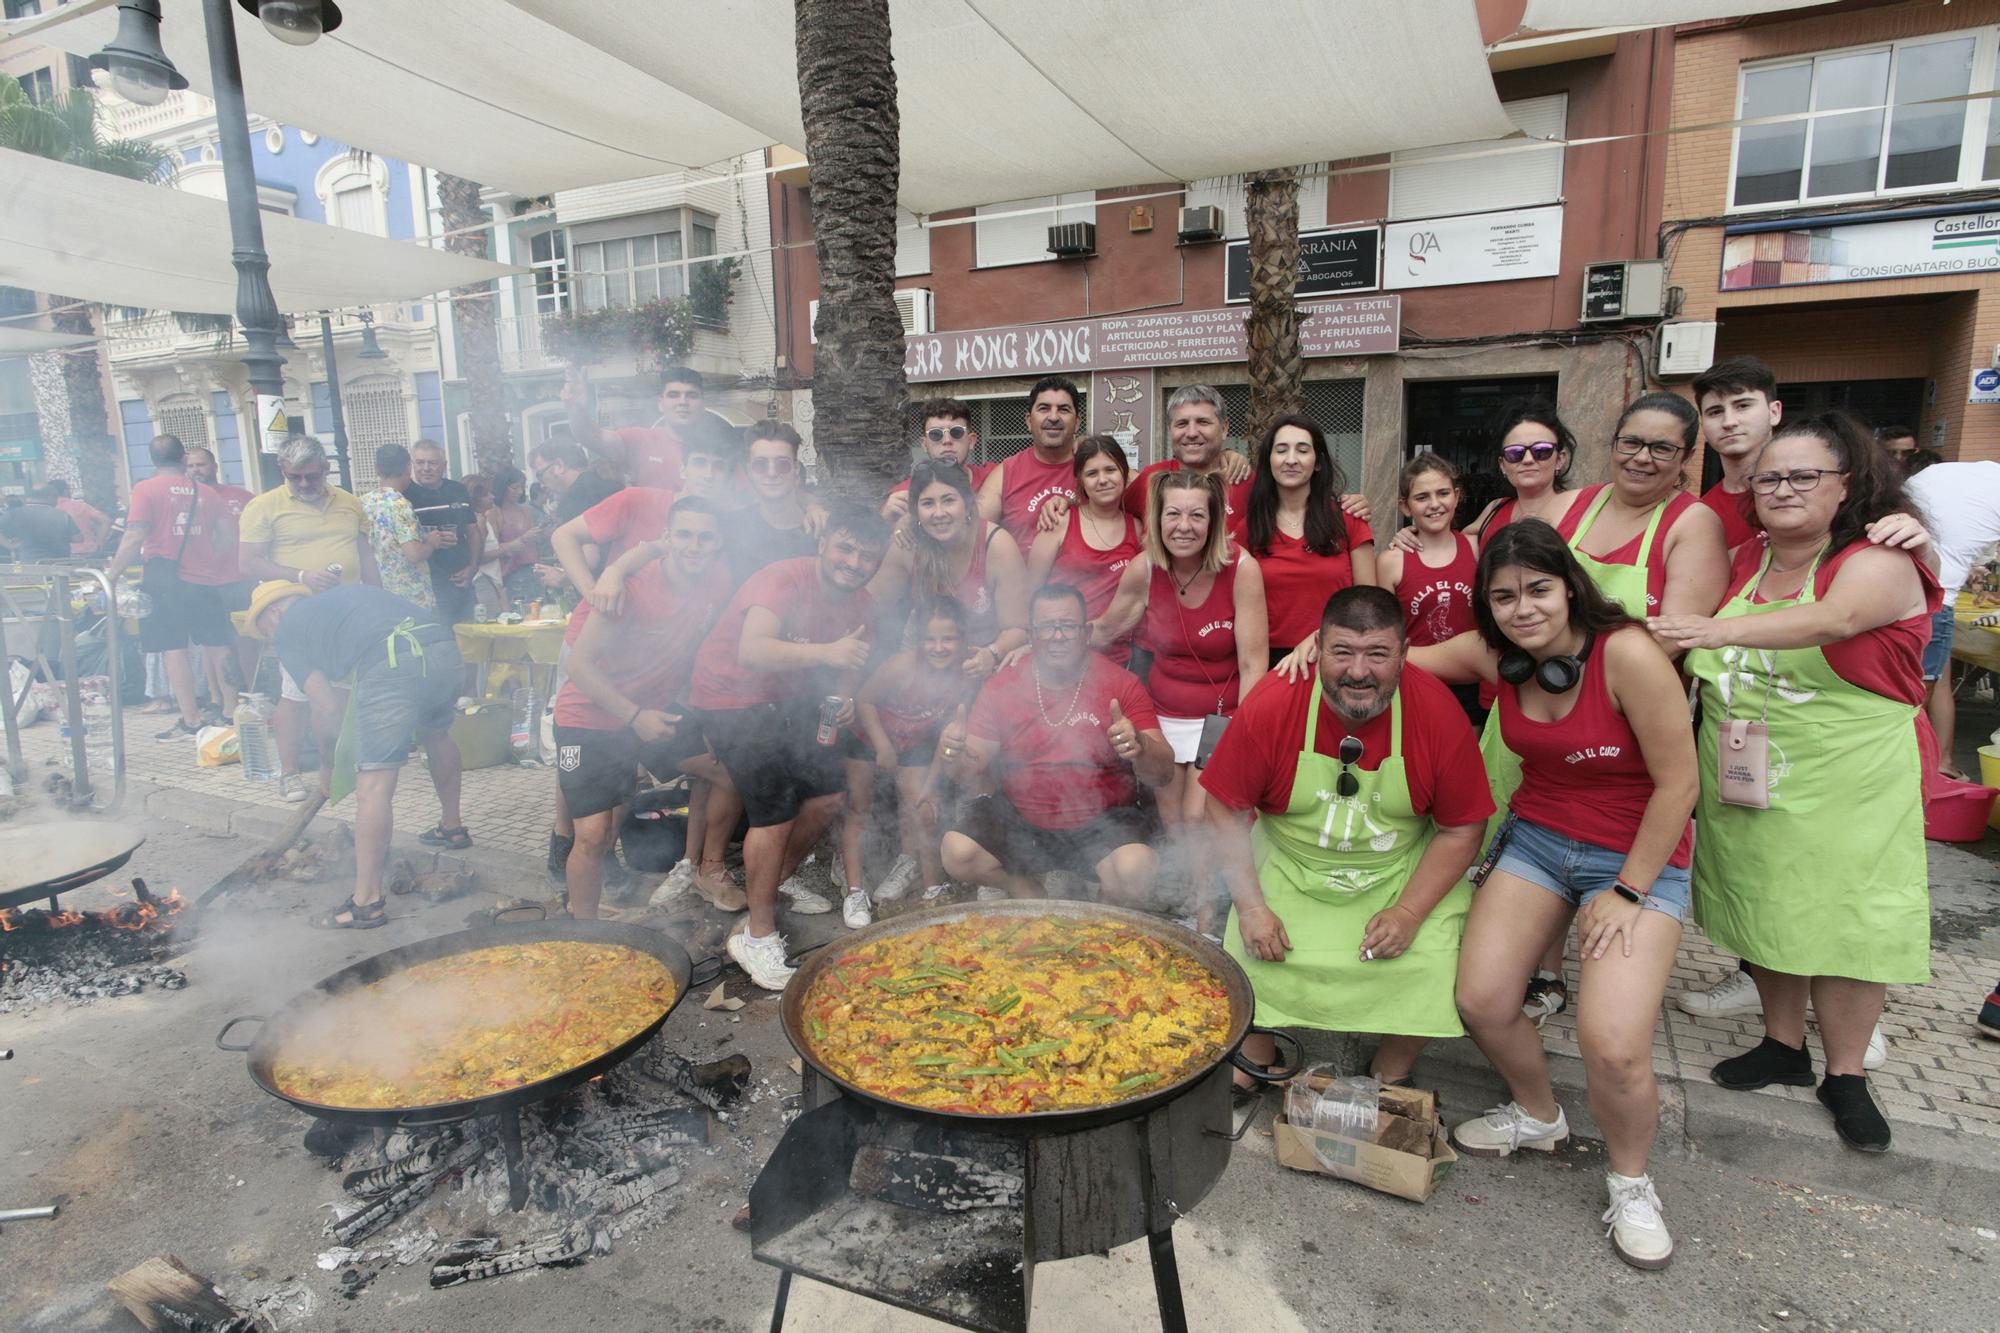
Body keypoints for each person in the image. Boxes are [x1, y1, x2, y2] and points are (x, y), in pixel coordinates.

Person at [1652, 412, 1940, 1155]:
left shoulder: (1875, 557)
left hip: (1848, 784)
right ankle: (1783, 1042)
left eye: (1804, 476)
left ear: (1848, 486)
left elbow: (1833, 621)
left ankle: (1846, 1073)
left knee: (1846, 926)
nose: (1782, 488)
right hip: (1749, 772)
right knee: (1768, 903)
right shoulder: (1746, 558)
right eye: (1770, 477)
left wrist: (1711, 631)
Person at [1415, 520, 1698, 1271]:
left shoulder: (1627, 654)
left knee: (1614, 1046)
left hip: (1636, 857)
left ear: (1569, 585)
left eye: (1538, 589)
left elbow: (1682, 783)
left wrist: (1630, 890)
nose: (1522, 608)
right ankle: (1539, 1114)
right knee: (1481, 999)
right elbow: (1393, 655)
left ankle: (1631, 1182)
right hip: (1539, 839)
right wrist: (1323, 646)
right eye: (1503, 596)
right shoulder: (1495, 652)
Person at [1207, 585, 1490, 1086]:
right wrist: (1252, 908)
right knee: (1257, 950)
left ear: (1403, 654)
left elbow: (1461, 828)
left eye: (1377, 654)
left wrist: (1408, 913)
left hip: (1396, 869)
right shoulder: (1273, 704)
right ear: (1317, 648)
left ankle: (1388, 1072)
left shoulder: (1438, 713)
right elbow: (1223, 809)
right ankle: (1257, 1055)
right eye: (1342, 652)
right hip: (1293, 866)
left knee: (1432, 959)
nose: (1358, 672)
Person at [687, 502, 889, 989]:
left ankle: (769, 881)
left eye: (867, 556)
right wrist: (827, 654)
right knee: (774, 810)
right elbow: (751, 650)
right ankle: (758, 936)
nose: (854, 563)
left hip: (791, 698)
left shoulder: (861, 601)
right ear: (823, 542)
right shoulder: (781, 578)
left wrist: (841, 698)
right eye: (845, 548)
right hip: (730, 697)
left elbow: (850, 657)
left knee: (827, 797)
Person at [1093, 471, 1267, 930]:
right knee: (1173, 818)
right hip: (1165, 712)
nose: (1183, 525)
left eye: (1196, 514)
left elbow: (1253, 665)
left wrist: (1242, 735)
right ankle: (1195, 897)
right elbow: (1103, 630)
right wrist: (1034, 641)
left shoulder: (1241, 568)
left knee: (1200, 815)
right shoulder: (1146, 568)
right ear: (1157, 517)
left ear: (1213, 521)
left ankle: (1209, 917)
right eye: (1173, 513)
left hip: (1222, 715)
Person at [245, 579, 465, 927]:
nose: (271, 639)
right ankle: (452, 827)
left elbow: (327, 707)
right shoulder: (343, 599)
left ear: (273, 613)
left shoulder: (288, 631)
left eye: (265, 631)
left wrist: (329, 766)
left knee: (373, 786)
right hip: (444, 650)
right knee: (436, 735)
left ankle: (366, 901)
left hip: (392, 661)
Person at [939, 582, 1173, 906]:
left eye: (1067, 626)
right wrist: (952, 751)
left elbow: (1164, 774)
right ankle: (1022, 887)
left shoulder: (1121, 684)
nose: (1057, 636)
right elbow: (967, 768)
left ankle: (1102, 912)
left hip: (1102, 818)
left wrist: (1141, 747)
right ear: (1032, 634)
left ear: (1086, 632)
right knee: (956, 853)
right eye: (1047, 627)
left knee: (1136, 871)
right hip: (1021, 815)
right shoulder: (1003, 685)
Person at [554, 496, 727, 920]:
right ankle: (583, 933)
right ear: (667, 537)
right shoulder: (628, 589)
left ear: (719, 543)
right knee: (595, 835)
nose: (694, 545)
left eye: (706, 537)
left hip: (655, 713)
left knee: (727, 771)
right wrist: (634, 717)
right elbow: (578, 666)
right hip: (590, 718)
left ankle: (704, 870)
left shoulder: (717, 581)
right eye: (684, 534)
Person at [238, 435, 380, 802]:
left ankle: (333, 768)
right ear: (283, 472)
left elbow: (365, 557)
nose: (304, 484)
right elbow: (249, 562)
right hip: (295, 614)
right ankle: (289, 773)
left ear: (326, 469)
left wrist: (378, 602)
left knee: (342, 692)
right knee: (296, 692)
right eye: (294, 477)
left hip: (346, 612)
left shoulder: (350, 504)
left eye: (311, 477)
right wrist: (301, 575)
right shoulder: (263, 506)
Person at [839, 597, 978, 924]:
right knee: (859, 807)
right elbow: (865, 700)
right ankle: (855, 892)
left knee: (924, 809)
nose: (939, 647)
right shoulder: (904, 665)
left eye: (948, 639)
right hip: (866, 736)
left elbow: (947, 732)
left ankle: (932, 891)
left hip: (915, 740)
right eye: (930, 639)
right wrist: (882, 745)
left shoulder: (967, 672)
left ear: (963, 639)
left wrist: (930, 784)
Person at [102, 433, 240, 741]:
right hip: (205, 580)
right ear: (182, 460)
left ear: (153, 460)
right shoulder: (204, 491)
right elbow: (229, 537)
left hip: (165, 579)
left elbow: (135, 534)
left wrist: (111, 576)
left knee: (174, 650)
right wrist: (207, 556)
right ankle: (232, 712)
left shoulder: (145, 489)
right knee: (218, 644)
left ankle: (191, 720)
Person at [1237, 414, 1375, 675]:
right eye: (1281, 450)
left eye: (1302, 450)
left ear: (1319, 462)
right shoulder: (1250, 527)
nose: (1291, 459)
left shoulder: (1348, 519)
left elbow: (1369, 602)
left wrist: (1319, 638)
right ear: (1269, 461)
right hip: (1268, 663)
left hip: (1337, 656)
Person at [868, 459, 1028, 673]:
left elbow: (1018, 628)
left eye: (948, 500)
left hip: (981, 667)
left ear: (968, 503)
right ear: (915, 511)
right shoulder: (909, 545)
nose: (939, 513)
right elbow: (870, 606)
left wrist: (992, 653)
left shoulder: (996, 546)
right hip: (924, 670)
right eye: (927, 503)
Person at [1904, 456, 2000, 778]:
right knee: (1914, 698)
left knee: (1938, 680)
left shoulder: (1954, 473)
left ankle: (1942, 761)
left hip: (1900, 586)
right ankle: (1908, 772)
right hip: (1931, 600)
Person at [1375, 453, 1481, 723]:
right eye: (1422, 497)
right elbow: (1385, 632)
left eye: (1443, 493)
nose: (1435, 504)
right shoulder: (1391, 561)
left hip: (1472, 686)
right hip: (1415, 686)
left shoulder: (1476, 548)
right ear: (1405, 506)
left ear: (1456, 496)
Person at [1026, 435, 1146, 664]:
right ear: (1080, 480)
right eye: (1092, 473)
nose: (1103, 480)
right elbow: (1031, 593)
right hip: (1059, 653)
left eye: (1111, 470)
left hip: (1119, 658)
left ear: (1124, 473)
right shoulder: (1058, 523)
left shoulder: (1138, 528)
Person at [185, 445, 259, 695]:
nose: (196, 470)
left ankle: (252, 692)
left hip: (241, 579)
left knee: (245, 640)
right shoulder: (185, 499)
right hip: (205, 584)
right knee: (212, 644)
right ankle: (218, 700)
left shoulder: (241, 497)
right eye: (191, 466)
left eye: (201, 464)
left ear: (215, 467)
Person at [977, 376, 1083, 548]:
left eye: (1063, 409)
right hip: (1020, 573)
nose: (1054, 417)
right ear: (1028, 421)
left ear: (1077, 422)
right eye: (1044, 408)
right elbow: (974, 534)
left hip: (1086, 574)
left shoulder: (1097, 467)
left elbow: (1140, 488)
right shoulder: (1006, 473)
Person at [1693, 356, 1781, 554]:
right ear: (1703, 427)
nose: (1729, 422)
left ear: (1774, 412)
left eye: (1742, 406)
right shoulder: (1702, 515)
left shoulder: (1814, 493)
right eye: (1715, 412)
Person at [564, 364, 700, 490]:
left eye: (691, 396)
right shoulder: (642, 440)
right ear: (660, 404)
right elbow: (591, 436)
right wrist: (577, 410)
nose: (683, 402)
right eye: (673, 395)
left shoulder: (717, 448)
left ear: (702, 405)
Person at [1466, 399, 1585, 543]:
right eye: (1514, 453)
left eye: (1541, 450)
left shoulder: (1581, 510)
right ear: (1502, 464)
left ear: (1560, 459)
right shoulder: (1494, 510)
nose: (1528, 460)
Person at [726, 422, 818, 582]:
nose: (771, 473)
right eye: (760, 465)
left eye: (782, 464)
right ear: (749, 470)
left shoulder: (820, 529)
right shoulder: (730, 527)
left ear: (796, 468)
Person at [882, 397, 996, 526]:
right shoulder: (902, 494)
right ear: (924, 445)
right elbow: (871, 541)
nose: (947, 440)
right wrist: (885, 519)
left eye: (956, 432)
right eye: (936, 434)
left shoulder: (997, 478)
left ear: (971, 441)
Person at [405, 440, 482, 623]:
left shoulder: (458, 491)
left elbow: (473, 532)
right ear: (412, 465)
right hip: (426, 587)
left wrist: (473, 567)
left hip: (460, 583)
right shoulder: (405, 496)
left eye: (432, 463)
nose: (426, 468)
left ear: (444, 465)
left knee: (471, 639)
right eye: (420, 462)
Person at [361, 443, 443, 611]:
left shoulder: (363, 502)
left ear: (376, 469)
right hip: (409, 598)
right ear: (408, 467)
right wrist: (431, 542)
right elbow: (414, 554)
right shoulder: (400, 505)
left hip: (377, 594)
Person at [0, 489, 80, 560]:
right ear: (49, 496)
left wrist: (10, 546)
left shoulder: (14, 513)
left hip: (27, 562)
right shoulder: (62, 515)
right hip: (60, 563)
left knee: (21, 574)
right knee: (59, 576)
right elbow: (77, 538)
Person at [46, 479, 110, 557]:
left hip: (59, 556)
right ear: (65, 491)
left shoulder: (49, 509)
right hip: (87, 552)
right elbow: (105, 520)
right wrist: (100, 542)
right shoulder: (81, 506)